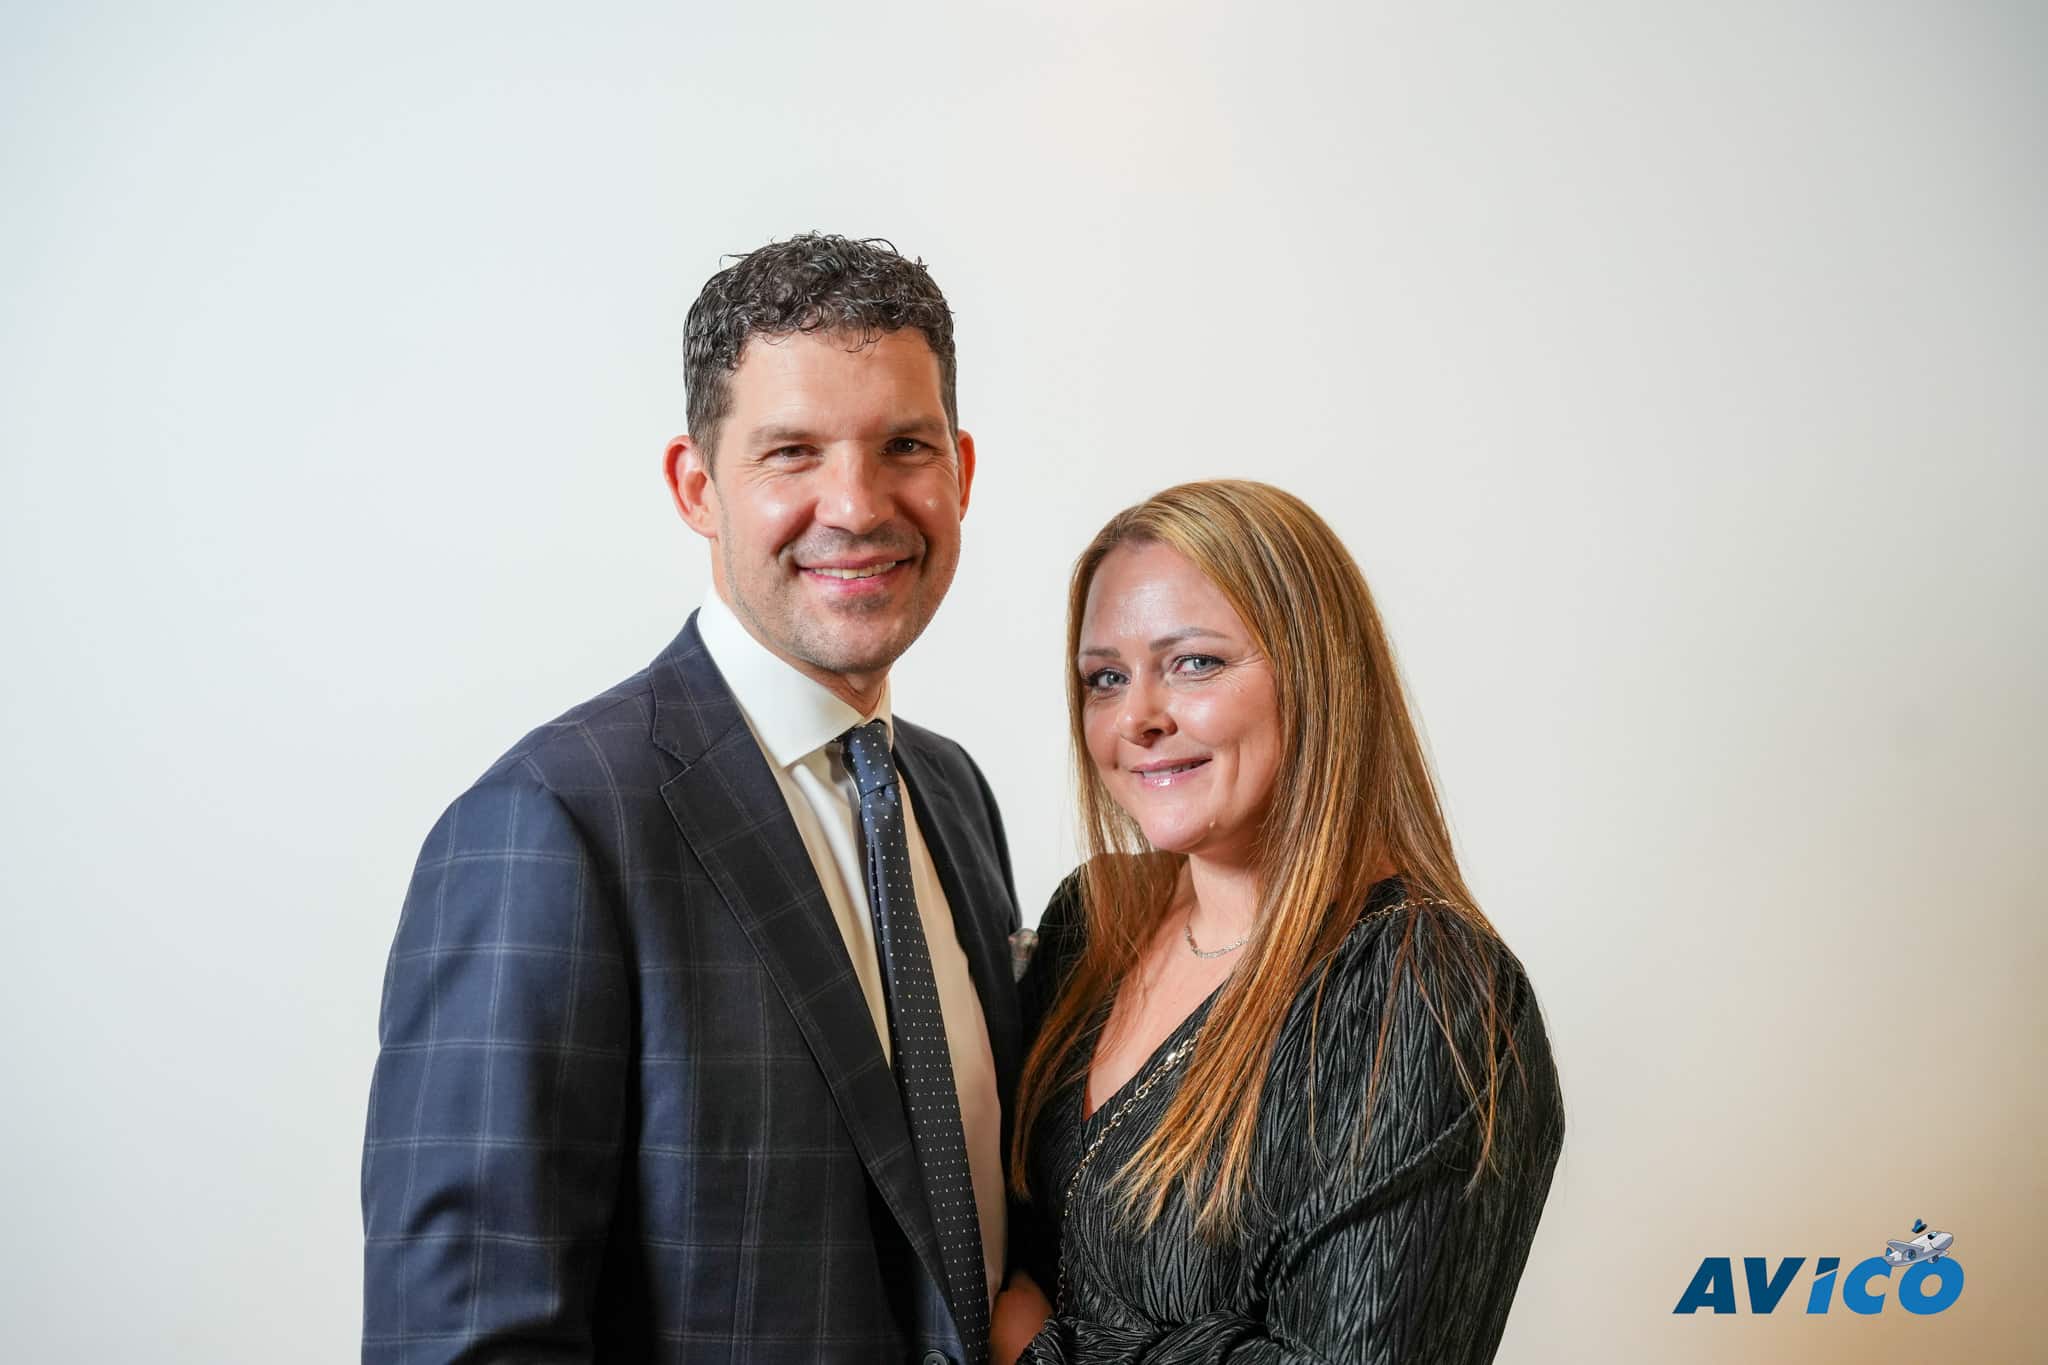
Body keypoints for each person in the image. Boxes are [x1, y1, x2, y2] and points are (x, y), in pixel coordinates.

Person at [362, 235, 1026, 1364]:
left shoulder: (951, 792)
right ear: (695, 486)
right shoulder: (552, 823)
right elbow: (468, 1338)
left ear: (959, 471)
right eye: (792, 453)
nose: (856, 505)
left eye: (904, 447)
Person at [1002, 480, 1566, 1363]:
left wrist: (1035, 1348)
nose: (1137, 717)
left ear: (1317, 673)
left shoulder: (1425, 987)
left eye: (1195, 662)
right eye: (1106, 677)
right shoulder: (1092, 918)